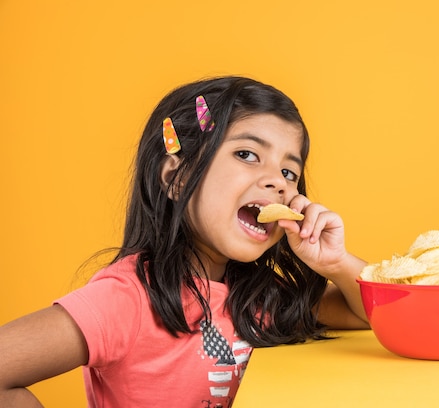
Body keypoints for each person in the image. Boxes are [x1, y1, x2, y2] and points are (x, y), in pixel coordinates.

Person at [0, 76, 370, 408]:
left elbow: (371, 314)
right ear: (177, 179)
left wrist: (334, 263)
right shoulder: (126, 300)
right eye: (247, 154)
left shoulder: (261, 299)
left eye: (289, 172)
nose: (279, 182)